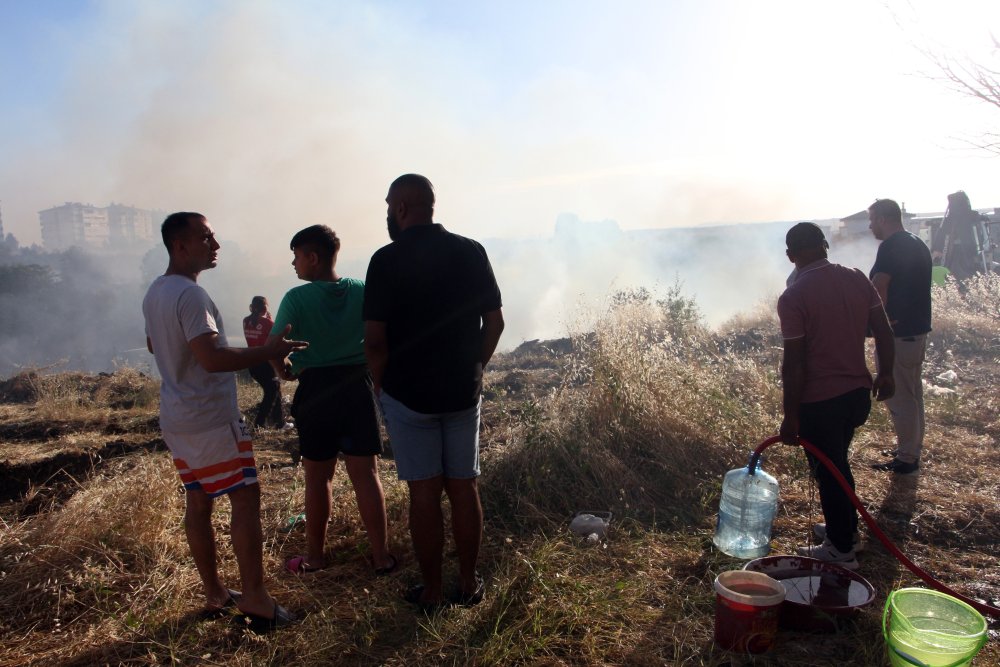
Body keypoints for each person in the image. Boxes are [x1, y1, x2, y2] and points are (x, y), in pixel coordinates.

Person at [142, 212, 305, 631]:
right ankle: (255, 596)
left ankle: (215, 592)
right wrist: (271, 350)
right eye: (206, 237)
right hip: (210, 420)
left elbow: (153, 342)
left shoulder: (156, 291)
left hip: (177, 416)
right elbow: (212, 359)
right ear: (180, 246)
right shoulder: (191, 296)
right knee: (246, 498)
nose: (215, 244)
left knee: (198, 501)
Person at [364, 174, 504, 609]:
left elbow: (374, 341)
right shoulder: (471, 250)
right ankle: (466, 583)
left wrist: (381, 386)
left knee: (424, 493)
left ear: (402, 208)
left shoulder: (384, 261)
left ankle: (432, 591)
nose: (387, 213)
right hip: (463, 393)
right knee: (465, 487)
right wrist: (475, 368)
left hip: (409, 398)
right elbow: (495, 322)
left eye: (389, 205)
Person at [269, 224, 397, 576]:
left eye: (296, 257)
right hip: (358, 387)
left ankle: (315, 558)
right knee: (367, 475)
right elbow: (381, 338)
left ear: (312, 257)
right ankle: (381, 557)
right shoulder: (361, 290)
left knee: (318, 478)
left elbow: (275, 346)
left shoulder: (296, 298)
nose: (294, 265)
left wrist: (284, 372)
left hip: (316, 391)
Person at [777, 222, 895, 568]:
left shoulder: (794, 296)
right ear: (825, 245)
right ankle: (845, 531)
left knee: (829, 472)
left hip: (820, 402)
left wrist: (791, 415)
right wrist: (886, 372)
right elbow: (884, 329)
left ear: (791, 256)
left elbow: (794, 364)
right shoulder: (857, 277)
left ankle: (841, 551)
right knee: (837, 463)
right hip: (857, 395)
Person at [868, 198, 933, 475]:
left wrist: (877, 322)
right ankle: (911, 449)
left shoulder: (891, 246)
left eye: (872, 220)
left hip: (898, 333)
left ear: (883, 219)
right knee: (913, 392)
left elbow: (880, 285)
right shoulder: (916, 242)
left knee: (899, 395)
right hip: (916, 331)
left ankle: (907, 458)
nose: (871, 226)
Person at [242, 296, 289, 430]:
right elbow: (276, 340)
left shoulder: (246, 321)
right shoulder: (269, 323)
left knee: (275, 388)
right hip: (265, 363)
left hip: (252, 362)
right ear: (265, 307)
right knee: (272, 391)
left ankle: (279, 423)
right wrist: (269, 319)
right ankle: (259, 424)